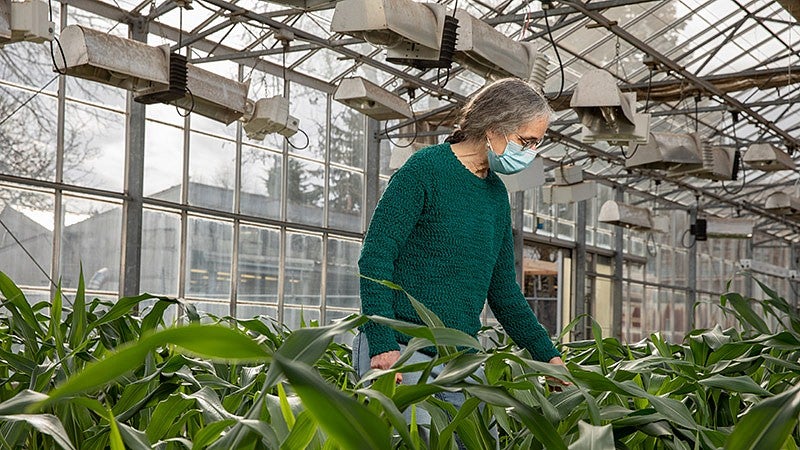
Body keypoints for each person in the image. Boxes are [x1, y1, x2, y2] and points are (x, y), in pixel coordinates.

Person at [353, 77, 566, 434]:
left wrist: (549, 357)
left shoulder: (497, 196)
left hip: (460, 358)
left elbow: (504, 291)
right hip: (403, 351)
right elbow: (375, 257)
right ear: (494, 129)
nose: (530, 153)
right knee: (416, 439)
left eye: (536, 144)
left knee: (482, 438)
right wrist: (383, 344)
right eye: (526, 141)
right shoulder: (424, 171)